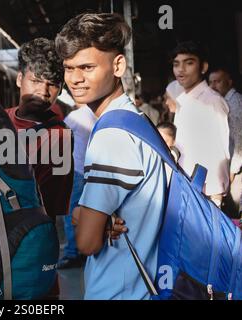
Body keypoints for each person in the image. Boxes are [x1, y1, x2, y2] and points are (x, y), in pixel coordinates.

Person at [56, 12, 166, 300]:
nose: (75, 79)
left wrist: (86, 217)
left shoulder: (111, 136)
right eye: (69, 68)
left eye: (87, 67)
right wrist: (97, 218)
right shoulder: (134, 119)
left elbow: (88, 242)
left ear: (118, 65)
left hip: (120, 290)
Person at [5, 37, 73, 221]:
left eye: (52, 84)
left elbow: (52, 206)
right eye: (35, 81)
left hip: (31, 233)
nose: (43, 91)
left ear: (60, 90)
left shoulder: (60, 137)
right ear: (20, 79)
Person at [172, 41, 230, 208]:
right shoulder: (184, 100)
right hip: (188, 188)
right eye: (176, 64)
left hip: (206, 194)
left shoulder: (212, 101)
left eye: (189, 63)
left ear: (203, 67)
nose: (181, 70)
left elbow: (219, 153)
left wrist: (216, 200)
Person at [58, 104, 96, 269]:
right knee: (87, 212)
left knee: (70, 213)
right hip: (92, 171)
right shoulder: (98, 116)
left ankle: (73, 253)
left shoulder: (75, 116)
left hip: (76, 170)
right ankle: (85, 250)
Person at [209, 68, 242, 216]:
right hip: (229, 166)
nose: (213, 86)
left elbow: (239, 140)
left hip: (236, 169)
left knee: (235, 211)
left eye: (218, 81)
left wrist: (232, 171)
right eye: (211, 82)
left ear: (229, 82)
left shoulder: (234, 103)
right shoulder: (223, 101)